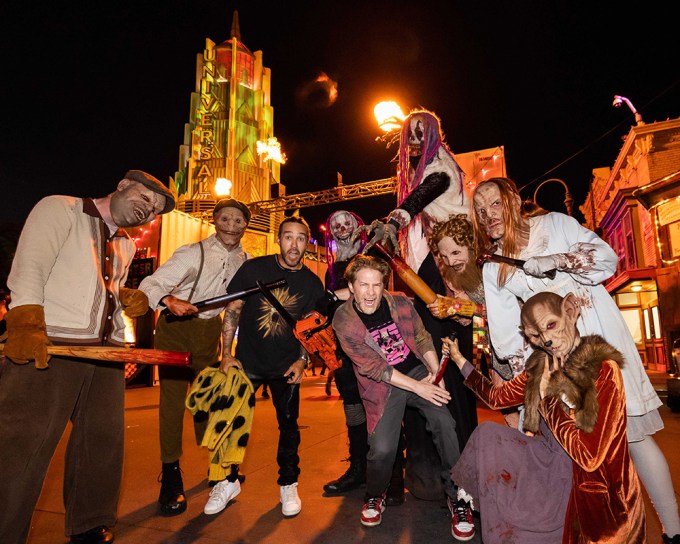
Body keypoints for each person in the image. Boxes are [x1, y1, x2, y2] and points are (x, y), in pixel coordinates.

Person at [471, 176, 680, 542]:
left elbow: (607, 259)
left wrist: (559, 260)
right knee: (582, 454)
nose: (487, 215)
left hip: (602, 338)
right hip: (560, 360)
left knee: (631, 436)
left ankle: (674, 530)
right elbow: (507, 337)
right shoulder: (493, 267)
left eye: (493, 204)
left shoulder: (555, 225)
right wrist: (535, 384)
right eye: (479, 210)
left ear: (513, 200)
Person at [0, 170, 175, 544]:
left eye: (155, 211)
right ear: (124, 185)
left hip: (105, 354)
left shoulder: (126, 244)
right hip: (50, 346)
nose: (148, 211)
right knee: (22, 447)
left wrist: (127, 298)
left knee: (102, 442)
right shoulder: (61, 208)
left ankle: (90, 524)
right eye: (145, 199)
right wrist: (26, 324)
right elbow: (30, 267)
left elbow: (104, 290)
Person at [447, 291, 646, 543]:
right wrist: (460, 360)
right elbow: (496, 398)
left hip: (594, 487)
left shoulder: (601, 370)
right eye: (537, 336)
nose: (547, 340)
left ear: (570, 312)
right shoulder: (541, 366)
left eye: (551, 325)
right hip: (549, 463)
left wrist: (547, 399)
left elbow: (589, 456)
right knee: (488, 435)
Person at [332, 255, 475, 541]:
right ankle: (375, 494)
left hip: (417, 369)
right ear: (351, 286)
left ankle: (458, 496)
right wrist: (418, 387)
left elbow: (422, 338)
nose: (371, 292)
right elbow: (373, 367)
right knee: (383, 448)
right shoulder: (344, 320)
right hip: (384, 384)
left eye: (377, 284)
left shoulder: (400, 303)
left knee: (445, 424)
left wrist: (436, 372)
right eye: (364, 285)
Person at [138, 198, 250, 516]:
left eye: (238, 219)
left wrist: (229, 351)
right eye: (225, 217)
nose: (231, 223)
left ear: (245, 225)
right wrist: (169, 299)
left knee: (212, 404)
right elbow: (150, 283)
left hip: (208, 331)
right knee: (172, 405)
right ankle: (170, 476)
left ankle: (220, 470)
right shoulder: (192, 252)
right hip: (175, 327)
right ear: (215, 220)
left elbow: (236, 308)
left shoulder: (246, 261)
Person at [218, 216, 325, 518]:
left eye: (301, 238)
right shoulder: (254, 269)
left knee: (289, 428)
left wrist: (302, 361)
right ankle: (227, 480)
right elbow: (233, 310)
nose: (294, 244)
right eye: (288, 237)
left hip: (285, 366)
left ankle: (288, 483)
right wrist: (227, 354)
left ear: (307, 242)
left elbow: (309, 328)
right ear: (278, 239)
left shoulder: (311, 283)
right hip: (247, 362)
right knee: (232, 424)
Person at [320, 210, 405, 505]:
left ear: (359, 224)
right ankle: (358, 469)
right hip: (346, 348)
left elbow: (381, 293)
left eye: (347, 222)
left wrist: (335, 295)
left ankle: (393, 478)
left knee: (385, 408)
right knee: (353, 409)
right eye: (335, 225)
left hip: (377, 344)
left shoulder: (373, 253)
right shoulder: (332, 267)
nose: (342, 228)